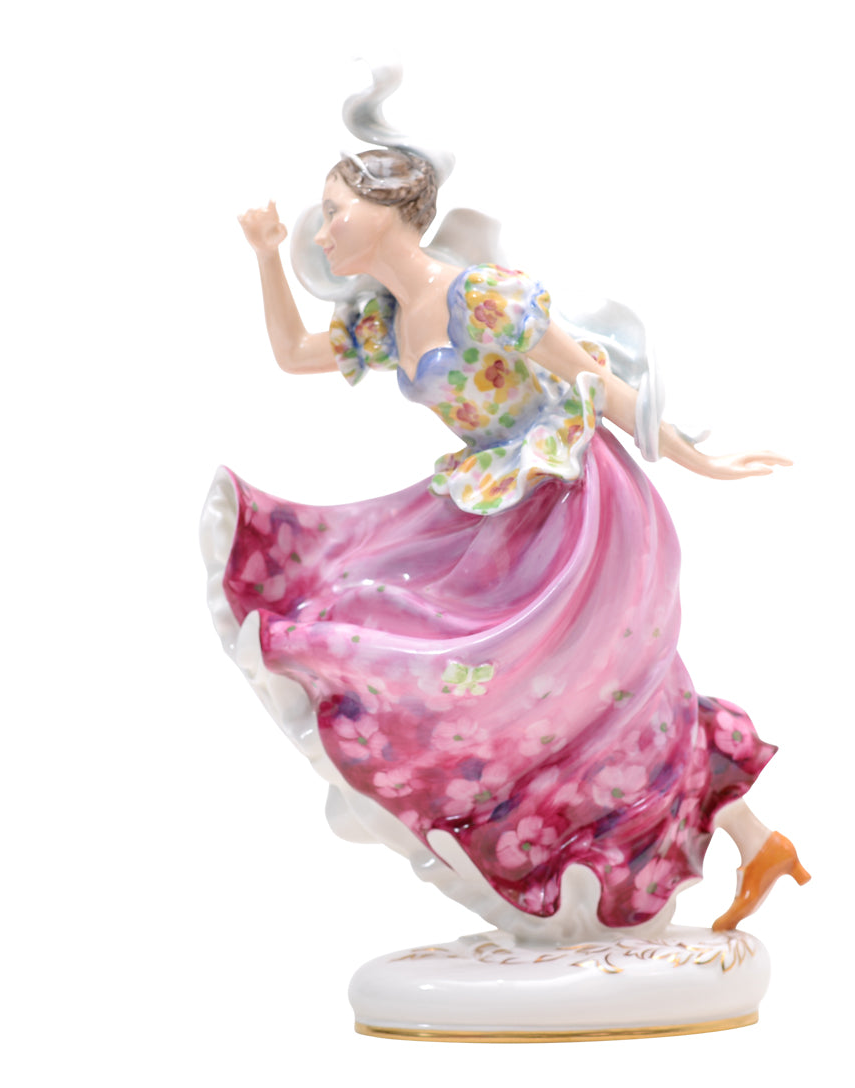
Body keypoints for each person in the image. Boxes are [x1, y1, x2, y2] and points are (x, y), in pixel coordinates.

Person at [206, 142, 808, 939]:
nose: (322, 232)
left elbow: (599, 385)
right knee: (604, 693)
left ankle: (661, 846)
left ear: (387, 211)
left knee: (574, 686)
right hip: (498, 500)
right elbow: (291, 356)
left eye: (337, 211)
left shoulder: (481, 298)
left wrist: (700, 458)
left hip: (576, 497)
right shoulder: (385, 321)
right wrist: (264, 255)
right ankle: (757, 841)